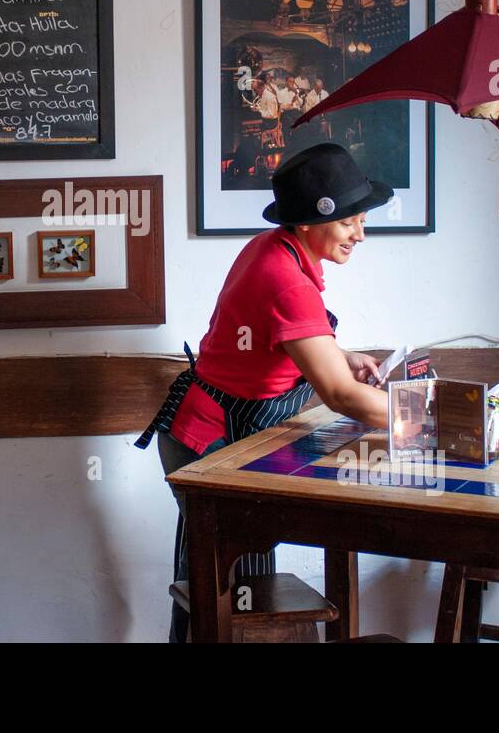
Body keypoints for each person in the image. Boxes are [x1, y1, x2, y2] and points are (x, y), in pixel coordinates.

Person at [134, 143, 393, 643]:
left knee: (206, 573)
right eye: (348, 223)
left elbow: (280, 343)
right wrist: (426, 419)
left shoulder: (272, 247)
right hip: (215, 443)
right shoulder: (286, 279)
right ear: (307, 223)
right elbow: (340, 395)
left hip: (203, 435)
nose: (360, 234)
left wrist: (343, 353)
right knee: (239, 587)